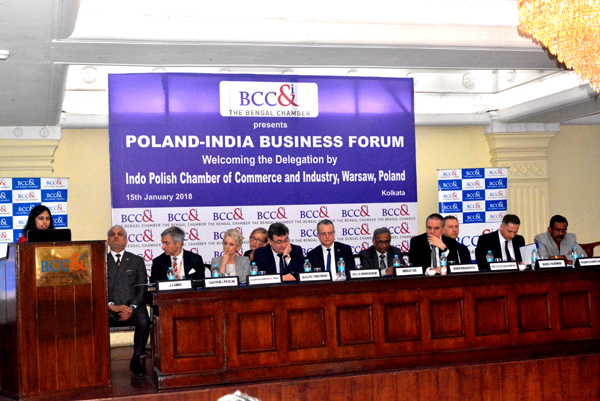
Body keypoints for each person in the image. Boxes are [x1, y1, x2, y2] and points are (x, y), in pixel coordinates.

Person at [106, 225, 150, 376]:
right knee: (95, 320)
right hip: (110, 308)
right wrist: (112, 306)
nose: (116, 237)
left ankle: (136, 359)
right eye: (112, 235)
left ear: (125, 240)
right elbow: (99, 289)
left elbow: (142, 289)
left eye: (119, 234)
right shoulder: (101, 261)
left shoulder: (136, 261)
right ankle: (101, 363)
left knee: (144, 320)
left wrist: (130, 308)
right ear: (108, 241)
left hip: (133, 307)